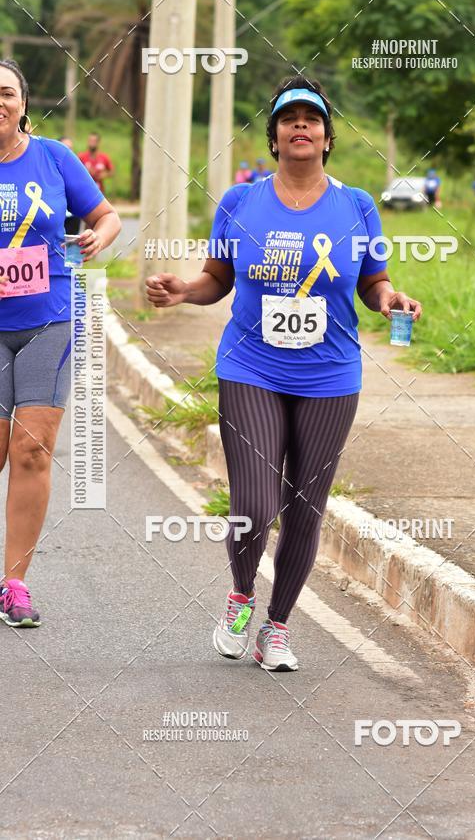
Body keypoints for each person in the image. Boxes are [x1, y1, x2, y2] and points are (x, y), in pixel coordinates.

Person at [146, 75, 422, 672]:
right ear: (273, 137)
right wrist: (183, 291)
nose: (301, 125)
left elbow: (373, 281)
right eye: (289, 118)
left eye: (312, 119)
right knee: (254, 500)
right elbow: (216, 278)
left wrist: (391, 300)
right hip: (251, 367)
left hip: (330, 375)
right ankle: (242, 594)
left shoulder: (357, 206)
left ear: (326, 138)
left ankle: (277, 627)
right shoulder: (240, 202)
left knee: (305, 508)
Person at [0, 59, 121, 627]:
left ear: (24, 103)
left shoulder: (54, 158)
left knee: (32, 449)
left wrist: (99, 236)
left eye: (6, 92)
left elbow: (105, 215)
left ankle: (14, 584)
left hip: (48, 320)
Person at [59, 137, 80, 235]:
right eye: (65, 148)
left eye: (70, 148)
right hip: (57, 220)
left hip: (73, 219)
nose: (68, 152)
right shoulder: (48, 172)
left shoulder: (78, 171)